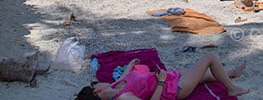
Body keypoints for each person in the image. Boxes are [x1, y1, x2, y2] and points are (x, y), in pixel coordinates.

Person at [76, 53, 249, 100]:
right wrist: (160, 81)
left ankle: (231, 74)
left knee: (203, 75)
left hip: (170, 80)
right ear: (97, 92)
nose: (99, 82)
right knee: (210, 57)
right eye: (95, 85)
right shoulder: (123, 97)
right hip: (174, 88)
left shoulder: (114, 87)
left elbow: (125, 78)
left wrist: (129, 67)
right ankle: (232, 89)